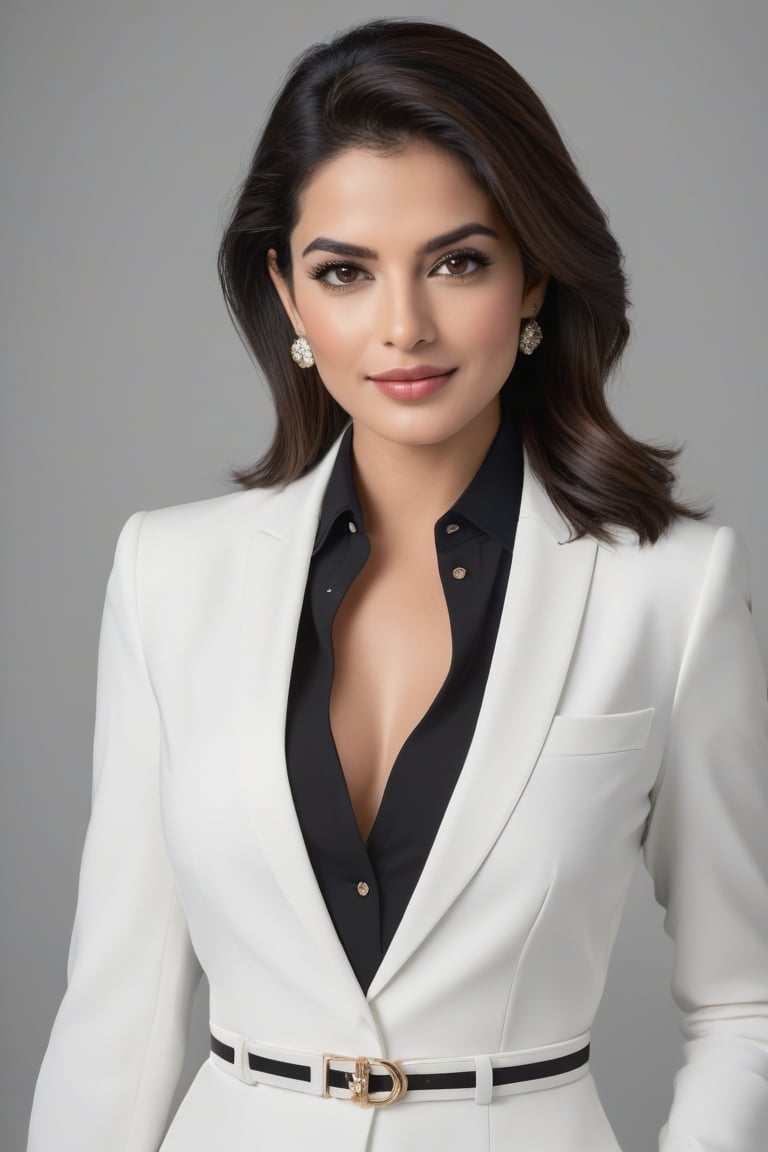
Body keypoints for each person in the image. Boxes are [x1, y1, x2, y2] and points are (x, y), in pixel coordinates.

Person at [27, 18, 768, 1152]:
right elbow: (116, 1013)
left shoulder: (669, 592)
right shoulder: (167, 575)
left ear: (531, 281)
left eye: (458, 261)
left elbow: (745, 1004)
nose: (403, 327)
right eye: (345, 272)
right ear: (288, 295)